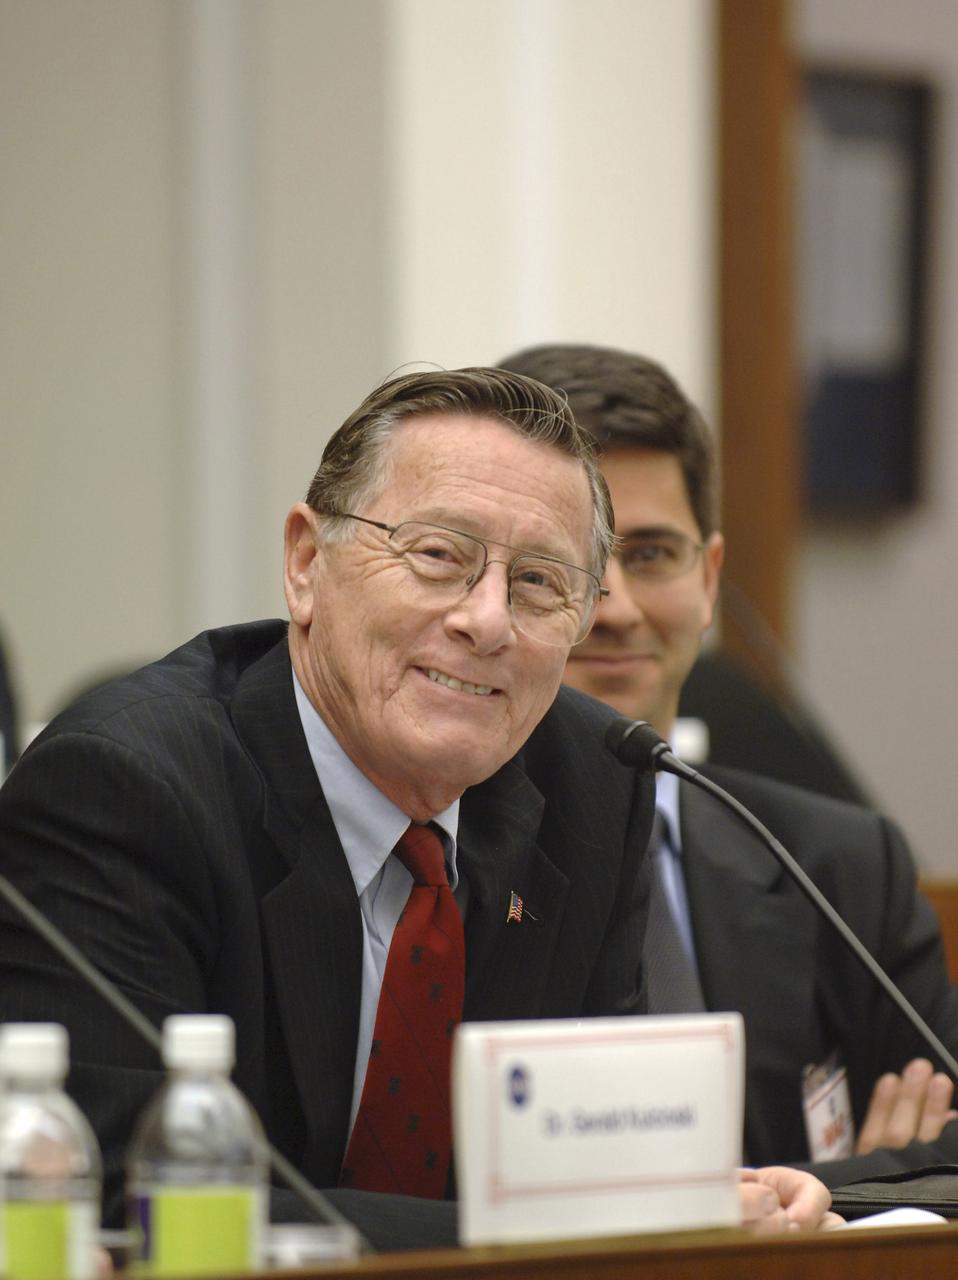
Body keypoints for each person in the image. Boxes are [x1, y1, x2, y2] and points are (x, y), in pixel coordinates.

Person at [0, 367, 836, 1249]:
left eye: (540, 582)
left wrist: (705, 1199)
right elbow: (122, 1200)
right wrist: (535, 1231)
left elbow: (594, 1162)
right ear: (306, 564)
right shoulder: (125, 790)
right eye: (438, 556)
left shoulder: (593, 784)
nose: (488, 621)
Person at [498, 343, 958, 1187]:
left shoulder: (845, 869)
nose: (617, 609)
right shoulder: (430, 860)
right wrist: (850, 1177)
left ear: (709, 580)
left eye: (651, 555)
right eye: (570, 562)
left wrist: (819, 1195)